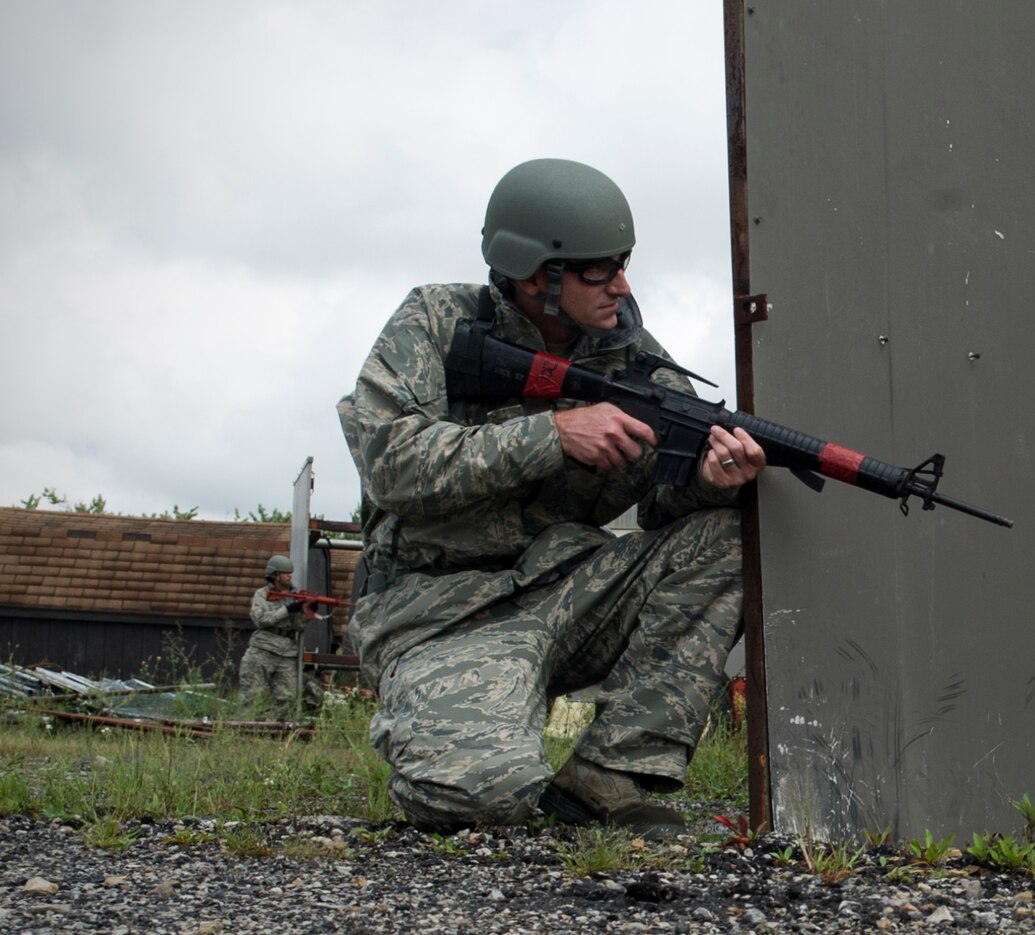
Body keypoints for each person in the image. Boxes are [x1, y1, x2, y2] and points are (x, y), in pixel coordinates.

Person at [336, 157, 765, 837]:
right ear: (538, 273)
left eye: (623, 262)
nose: (622, 285)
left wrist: (709, 482)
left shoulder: (636, 359)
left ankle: (612, 780)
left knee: (728, 537)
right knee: (482, 800)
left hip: (571, 586)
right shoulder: (433, 322)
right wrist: (552, 435)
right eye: (601, 268)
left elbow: (662, 510)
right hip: (438, 613)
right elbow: (392, 463)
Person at [239, 554, 324, 714]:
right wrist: (287, 610)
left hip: (287, 652)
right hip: (263, 649)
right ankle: (245, 729)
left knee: (287, 696)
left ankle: (275, 729)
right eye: (285, 573)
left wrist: (309, 612)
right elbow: (261, 619)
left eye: (290, 573)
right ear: (275, 575)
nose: (289, 576)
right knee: (251, 695)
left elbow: (298, 625)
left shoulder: (294, 595)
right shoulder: (262, 594)